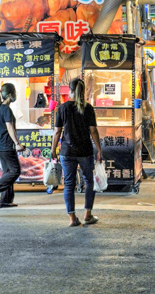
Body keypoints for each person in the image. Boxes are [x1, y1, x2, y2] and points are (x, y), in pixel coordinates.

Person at [51, 78, 102, 226]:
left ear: (70, 91)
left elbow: (57, 132)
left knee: (68, 184)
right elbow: (93, 131)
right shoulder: (88, 108)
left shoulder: (63, 108)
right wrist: (99, 149)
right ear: (83, 90)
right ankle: (87, 215)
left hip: (67, 151)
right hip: (85, 150)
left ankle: (72, 218)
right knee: (89, 181)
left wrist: (53, 150)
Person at [0, 84, 24, 208]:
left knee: (7, 172)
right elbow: (10, 127)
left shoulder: (1, 108)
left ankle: (5, 200)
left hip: (0, 145)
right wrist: (17, 143)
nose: (16, 95)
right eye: (15, 93)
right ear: (11, 95)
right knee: (15, 171)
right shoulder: (6, 109)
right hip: (6, 145)